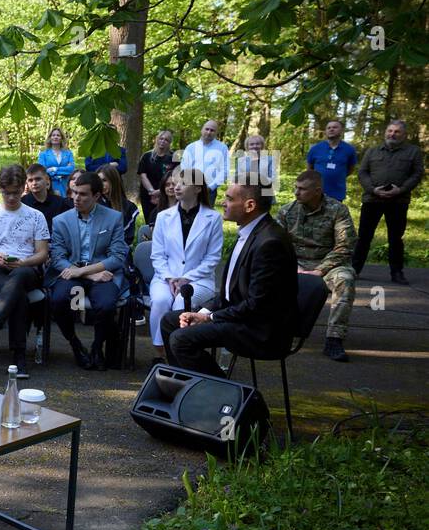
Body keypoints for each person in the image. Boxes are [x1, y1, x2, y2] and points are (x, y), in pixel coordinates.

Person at [161, 180, 298, 377]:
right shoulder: (250, 232)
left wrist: (209, 318)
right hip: (241, 317)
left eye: (229, 198)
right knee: (169, 321)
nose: (222, 203)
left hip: (261, 331)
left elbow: (257, 305)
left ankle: (220, 396)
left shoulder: (270, 243)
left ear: (250, 206)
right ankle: (184, 384)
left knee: (181, 339)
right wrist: (206, 311)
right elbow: (229, 291)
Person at [0, 164, 49, 376]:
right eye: (6, 193)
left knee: (21, 275)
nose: (11, 197)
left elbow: (42, 253)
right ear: (1, 189)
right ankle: (18, 358)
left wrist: (23, 263)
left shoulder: (35, 216)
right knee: (19, 298)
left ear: (23, 188)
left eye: (15, 193)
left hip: (27, 270)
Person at [48, 171, 128, 370]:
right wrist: (87, 273)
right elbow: (57, 257)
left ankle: (96, 346)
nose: (76, 198)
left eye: (83, 194)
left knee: (107, 304)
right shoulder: (61, 220)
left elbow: (117, 257)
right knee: (58, 300)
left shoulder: (113, 218)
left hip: (102, 274)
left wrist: (87, 272)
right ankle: (75, 344)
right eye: (74, 192)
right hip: (73, 274)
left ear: (96, 196)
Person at [278, 170, 356, 362]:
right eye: (295, 187)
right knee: (268, 273)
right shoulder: (287, 210)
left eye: (302, 189)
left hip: (327, 263)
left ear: (317, 191)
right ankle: (275, 327)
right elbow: (275, 244)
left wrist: (320, 270)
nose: (296, 193)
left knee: (344, 280)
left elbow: (345, 245)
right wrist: (292, 266)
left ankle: (334, 338)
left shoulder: (337, 210)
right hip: (295, 262)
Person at [146, 167, 222, 363]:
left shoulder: (213, 218)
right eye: (175, 182)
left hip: (199, 279)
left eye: (183, 183)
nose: (176, 187)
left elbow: (212, 258)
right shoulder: (163, 216)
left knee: (181, 302)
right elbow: (157, 255)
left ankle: (179, 352)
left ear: (197, 188)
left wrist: (186, 278)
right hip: (165, 277)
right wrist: (171, 277)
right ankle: (160, 352)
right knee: (161, 300)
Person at [353, 119, 421, 285]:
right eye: (390, 131)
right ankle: (354, 270)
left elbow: (417, 174)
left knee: (395, 238)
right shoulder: (373, 151)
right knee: (363, 237)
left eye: (397, 132)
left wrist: (401, 189)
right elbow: (362, 172)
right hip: (372, 199)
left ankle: (397, 272)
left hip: (398, 201)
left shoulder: (413, 152)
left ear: (404, 135)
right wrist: (372, 189)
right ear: (385, 133)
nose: (393, 134)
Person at [306, 119, 359, 202]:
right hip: (317, 191)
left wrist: (338, 176)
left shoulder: (349, 149)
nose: (331, 129)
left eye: (335, 127)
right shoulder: (315, 148)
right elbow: (309, 168)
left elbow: (351, 169)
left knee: (334, 214)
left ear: (341, 130)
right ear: (326, 131)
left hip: (337, 192)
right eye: (329, 128)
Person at [179, 120, 229, 204]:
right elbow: (184, 167)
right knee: (188, 213)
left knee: (206, 215)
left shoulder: (222, 148)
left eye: (212, 130)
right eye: (207, 129)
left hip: (210, 191)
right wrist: (191, 185)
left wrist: (211, 187)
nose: (209, 132)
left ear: (216, 133)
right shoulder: (191, 147)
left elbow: (224, 170)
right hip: (191, 188)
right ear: (202, 130)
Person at [138, 129, 177, 225]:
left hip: (167, 193)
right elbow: (143, 175)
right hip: (148, 194)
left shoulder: (174, 158)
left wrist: (160, 192)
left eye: (166, 140)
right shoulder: (146, 156)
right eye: (161, 138)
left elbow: (176, 177)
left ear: (170, 143)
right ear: (157, 140)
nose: (163, 141)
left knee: (166, 220)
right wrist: (152, 192)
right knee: (149, 220)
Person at [99, 164, 140, 246]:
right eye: (98, 180)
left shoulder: (129, 207)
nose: (100, 184)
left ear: (113, 181)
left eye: (104, 180)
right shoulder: (91, 205)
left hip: (119, 253)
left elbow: (127, 239)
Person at [22, 162, 71, 229]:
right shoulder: (23, 204)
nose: (34, 183)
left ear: (47, 181)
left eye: (38, 179)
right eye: (30, 180)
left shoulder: (61, 203)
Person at [36, 127, 75, 196]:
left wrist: (54, 169)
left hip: (65, 185)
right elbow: (42, 171)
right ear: (50, 138)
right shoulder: (43, 154)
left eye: (58, 135)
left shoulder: (68, 153)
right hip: (50, 186)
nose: (55, 137)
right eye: (53, 135)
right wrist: (64, 169)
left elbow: (71, 169)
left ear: (61, 138)